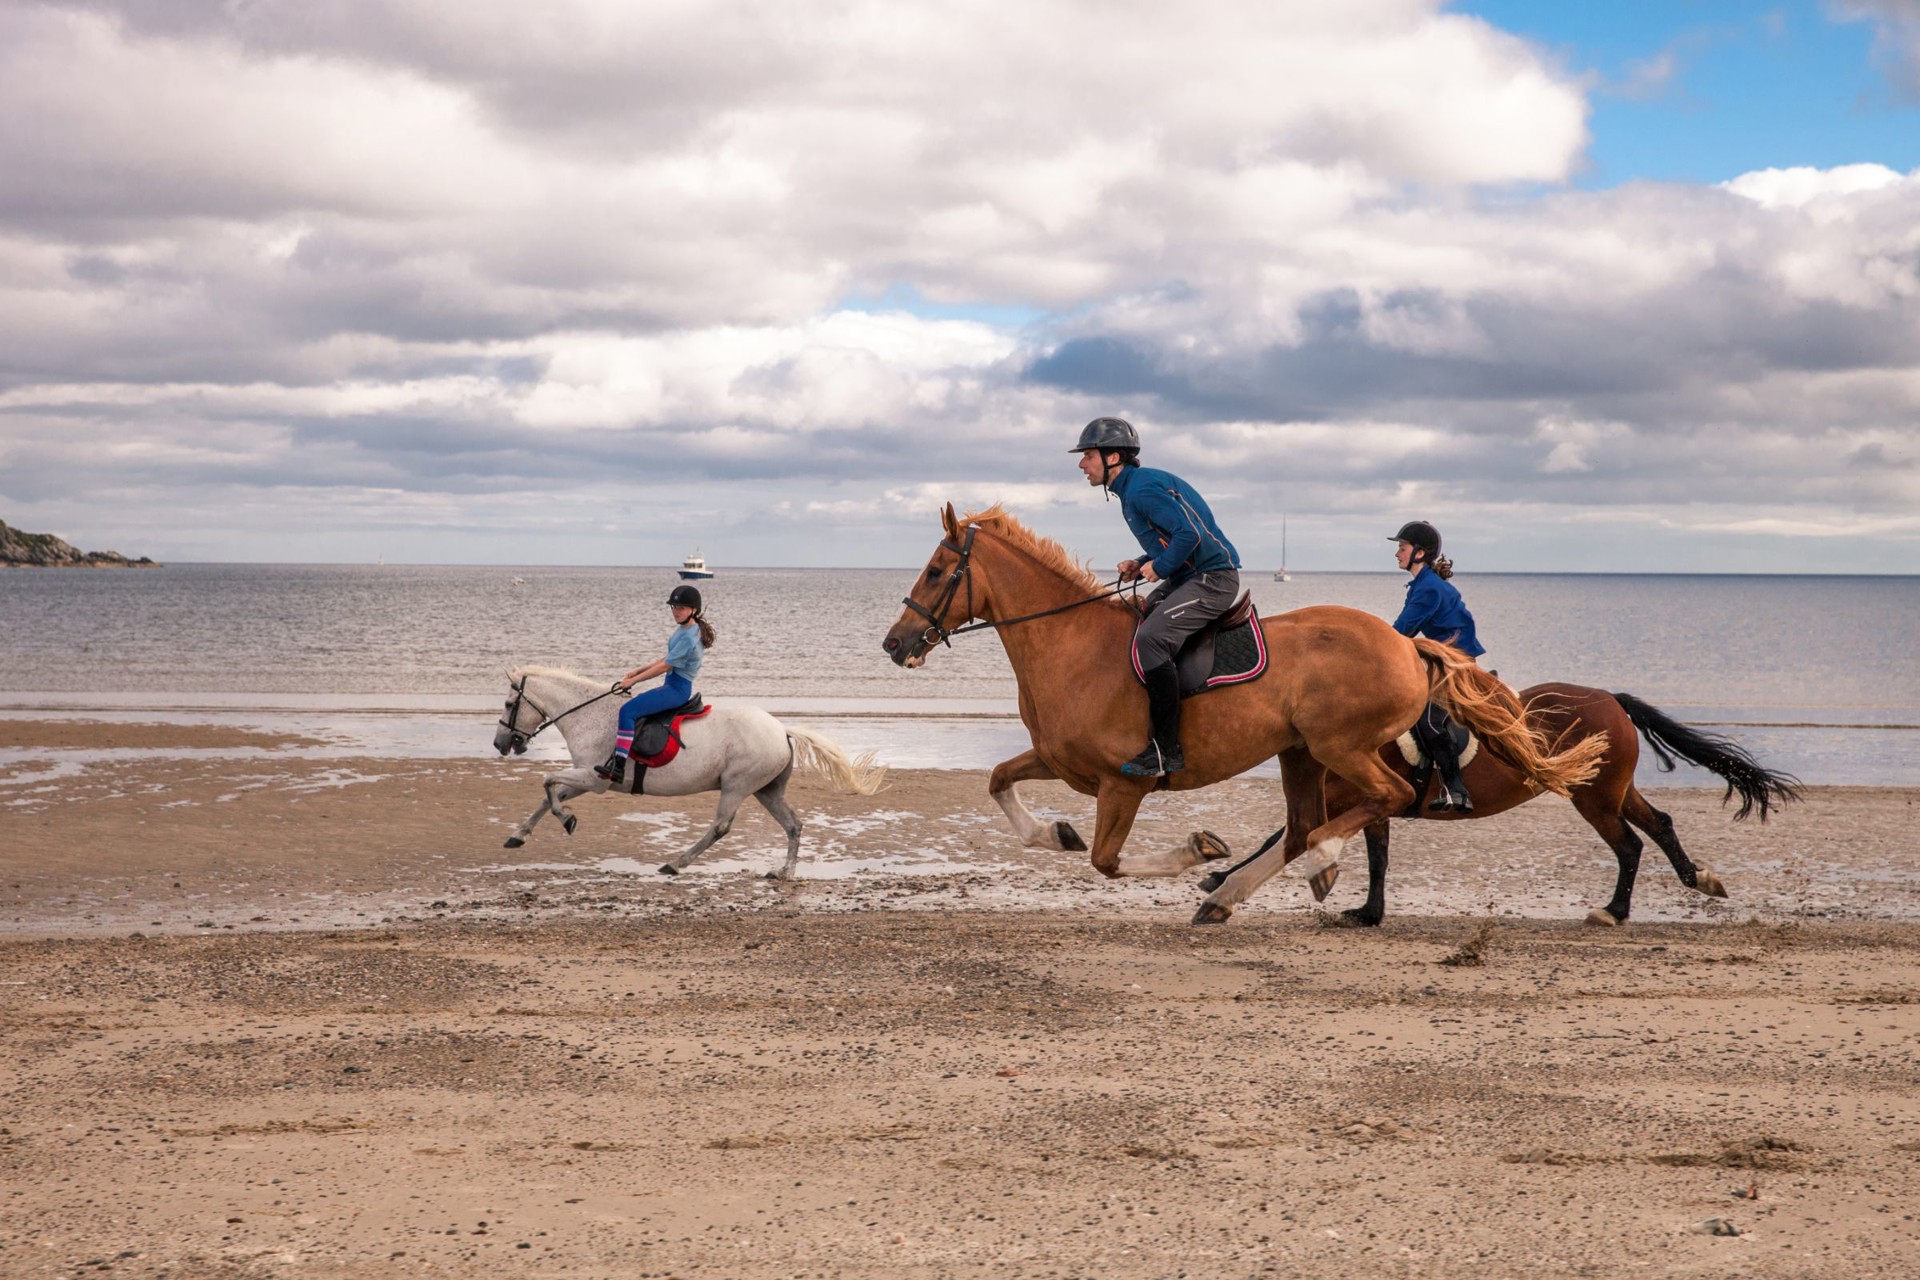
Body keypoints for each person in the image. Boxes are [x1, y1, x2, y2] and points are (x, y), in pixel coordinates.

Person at [1072, 416, 1241, 777]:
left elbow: (1190, 536)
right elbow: (1175, 537)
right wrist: (1141, 562)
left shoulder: (1141, 490)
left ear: (1113, 457)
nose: (1081, 464)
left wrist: (1160, 568)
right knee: (1138, 616)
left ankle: (1167, 750)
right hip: (1191, 575)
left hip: (1213, 580)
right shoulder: (1134, 488)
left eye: (1088, 455)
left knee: (1150, 639)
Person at [1388, 520, 1482, 811]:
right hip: (1442, 657)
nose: (1397, 554)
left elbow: (1401, 632)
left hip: (1454, 662)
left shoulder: (1428, 588)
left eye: (1402, 548)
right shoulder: (1421, 584)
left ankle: (1457, 791)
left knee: (1427, 721)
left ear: (1419, 553)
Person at [596, 584, 714, 785]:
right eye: (674, 607)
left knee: (627, 711)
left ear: (693, 610)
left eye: (681, 608)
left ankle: (619, 767)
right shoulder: (685, 629)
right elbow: (666, 658)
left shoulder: (689, 637)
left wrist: (633, 681)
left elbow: (664, 666)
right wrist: (637, 671)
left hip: (677, 690)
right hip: (671, 685)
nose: (676, 612)